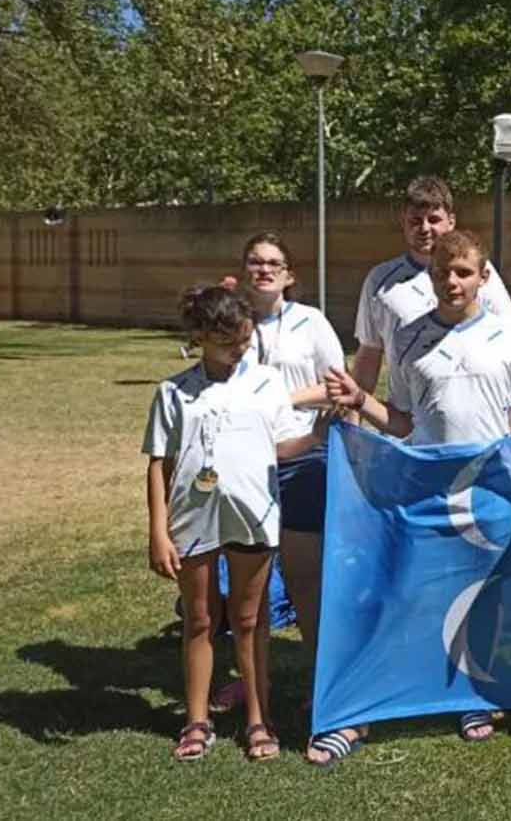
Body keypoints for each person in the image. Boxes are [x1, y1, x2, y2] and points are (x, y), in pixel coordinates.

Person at [326, 229, 511, 753]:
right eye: (443, 271)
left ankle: (470, 698)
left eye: (463, 272)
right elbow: (401, 421)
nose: (452, 281)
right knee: (407, 590)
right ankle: (376, 698)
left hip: (488, 489)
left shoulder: (507, 335)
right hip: (425, 486)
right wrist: (361, 399)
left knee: (477, 596)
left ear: (482, 277)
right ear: (430, 276)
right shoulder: (409, 337)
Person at [143, 285, 319, 761]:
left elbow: (282, 447)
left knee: (249, 620)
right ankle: (196, 721)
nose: (241, 349)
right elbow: (159, 464)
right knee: (200, 619)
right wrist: (159, 532)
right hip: (193, 519)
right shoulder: (172, 392)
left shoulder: (266, 383)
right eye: (230, 342)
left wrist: (320, 431)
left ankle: (260, 720)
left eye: (246, 339)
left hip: (254, 517)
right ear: (200, 336)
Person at [233, 232, 353, 765]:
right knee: (245, 584)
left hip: (303, 459)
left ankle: (321, 677)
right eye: (256, 262)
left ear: (290, 274)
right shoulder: (232, 324)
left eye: (274, 263)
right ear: (242, 271)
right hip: (243, 465)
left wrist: (272, 396)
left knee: (305, 577)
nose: (265, 270)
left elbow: (338, 384)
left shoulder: (310, 323)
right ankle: (252, 686)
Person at [352, 175, 511, 396]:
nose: (424, 228)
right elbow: (369, 352)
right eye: (415, 220)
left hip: (473, 414)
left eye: (433, 219)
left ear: (451, 221)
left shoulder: (475, 272)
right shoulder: (380, 281)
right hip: (407, 420)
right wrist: (352, 415)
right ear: (403, 221)